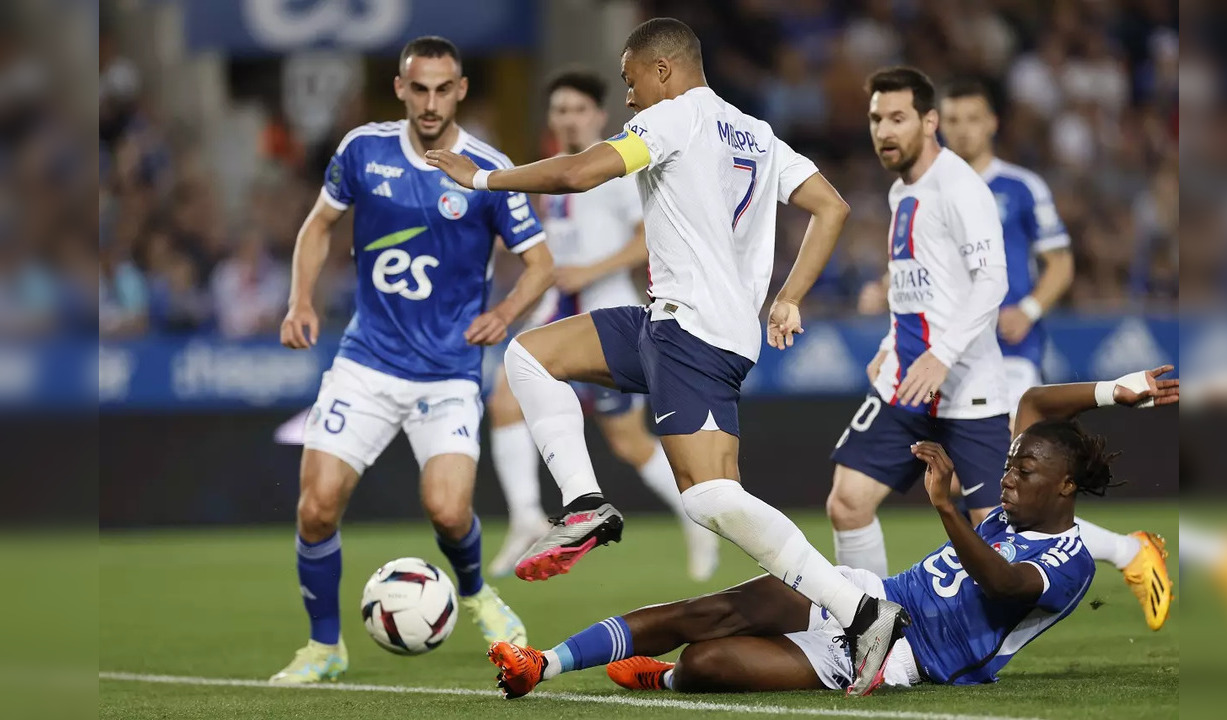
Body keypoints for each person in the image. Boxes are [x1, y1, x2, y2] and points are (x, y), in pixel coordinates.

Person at [426, 17, 907, 694]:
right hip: (668, 323)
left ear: (662, 71)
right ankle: (586, 504)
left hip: (697, 335)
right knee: (530, 357)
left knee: (712, 498)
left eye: (630, 83)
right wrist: (789, 296)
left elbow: (577, 172)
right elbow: (829, 206)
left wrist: (483, 179)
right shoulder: (756, 133)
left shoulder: (674, 118)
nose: (627, 100)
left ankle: (860, 611)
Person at [485, 368, 1179, 698]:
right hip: (868, 595)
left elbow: (1001, 586)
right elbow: (1030, 404)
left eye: (1024, 470)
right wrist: (1114, 389)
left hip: (908, 658)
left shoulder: (1070, 560)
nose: (1008, 475)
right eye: (1010, 463)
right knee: (710, 611)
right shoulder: (1023, 501)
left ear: (1064, 487)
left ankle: (664, 677)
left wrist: (945, 509)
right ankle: (540, 663)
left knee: (707, 665)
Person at [269, 36, 551, 684]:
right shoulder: (361, 150)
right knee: (315, 507)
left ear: (461, 91)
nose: (429, 103)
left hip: (449, 371)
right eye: (417, 89)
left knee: (449, 511)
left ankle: (477, 593)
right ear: (399, 88)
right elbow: (317, 224)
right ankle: (324, 647)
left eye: (441, 89)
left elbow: (541, 263)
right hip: (366, 362)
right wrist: (300, 300)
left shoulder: (487, 167)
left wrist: (505, 314)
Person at [934, 78, 1171, 631]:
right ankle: (1126, 551)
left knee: (1002, 484)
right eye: (953, 118)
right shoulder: (933, 189)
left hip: (1011, 353)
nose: (963, 128)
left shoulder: (1020, 186)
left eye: (973, 117)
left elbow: (1060, 262)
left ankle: (1124, 553)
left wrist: (1032, 308)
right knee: (987, 505)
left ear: (991, 123)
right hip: (951, 356)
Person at [486, 68, 719, 581]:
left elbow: (645, 241)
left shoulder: (615, 168)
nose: (568, 118)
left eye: (577, 109)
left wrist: (587, 271)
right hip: (558, 311)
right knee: (504, 402)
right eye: (560, 110)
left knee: (628, 442)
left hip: (607, 311)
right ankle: (525, 514)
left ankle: (697, 518)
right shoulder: (556, 178)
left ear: (597, 115)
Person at [826, 66, 1012, 578]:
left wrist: (943, 354)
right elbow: (915, 287)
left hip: (966, 388)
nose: (885, 130)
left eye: (898, 118)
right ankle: (869, 629)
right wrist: (890, 342)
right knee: (847, 503)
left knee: (997, 540)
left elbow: (992, 281)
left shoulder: (959, 187)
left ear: (930, 121)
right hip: (907, 384)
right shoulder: (900, 192)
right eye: (876, 119)